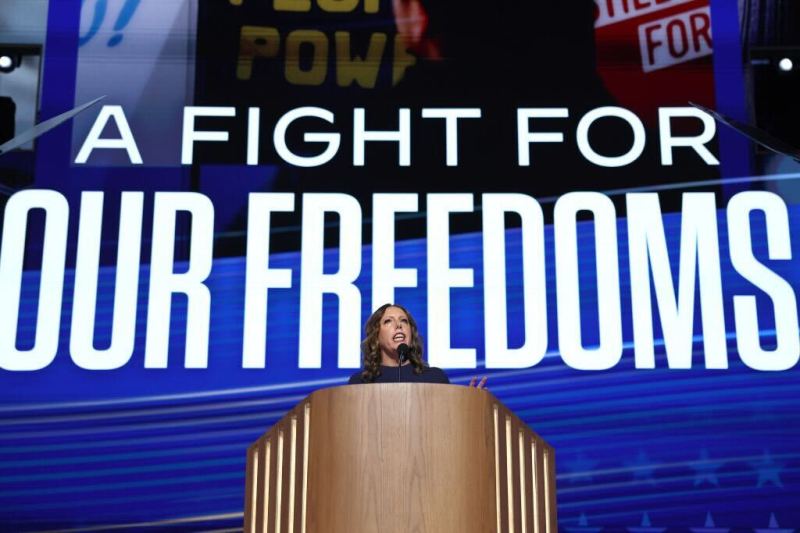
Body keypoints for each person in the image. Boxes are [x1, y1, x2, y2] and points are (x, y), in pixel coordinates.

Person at [349, 303, 487, 387]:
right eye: (388, 321)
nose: (398, 325)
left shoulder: (434, 378)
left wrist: (469, 405)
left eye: (404, 321)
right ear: (376, 337)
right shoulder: (361, 383)